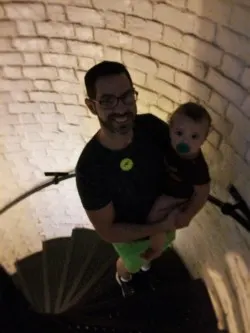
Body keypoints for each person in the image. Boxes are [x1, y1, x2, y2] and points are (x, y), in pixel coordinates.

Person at [75, 61, 208, 298]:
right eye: (107, 100)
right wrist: (160, 226)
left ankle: (148, 262)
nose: (121, 108)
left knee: (155, 252)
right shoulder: (91, 169)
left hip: (165, 224)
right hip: (133, 240)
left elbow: (186, 157)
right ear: (92, 106)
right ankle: (124, 276)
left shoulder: (150, 127)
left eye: (127, 96)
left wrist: (184, 211)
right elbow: (108, 231)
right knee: (131, 263)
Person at [142, 103, 211, 262]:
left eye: (194, 137)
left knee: (156, 215)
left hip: (177, 196)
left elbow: (202, 193)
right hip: (165, 185)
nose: (184, 141)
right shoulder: (168, 142)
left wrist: (188, 213)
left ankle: (155, 249)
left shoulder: (197, 168)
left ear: (204, 138)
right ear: (170, 128)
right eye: (179, 133)